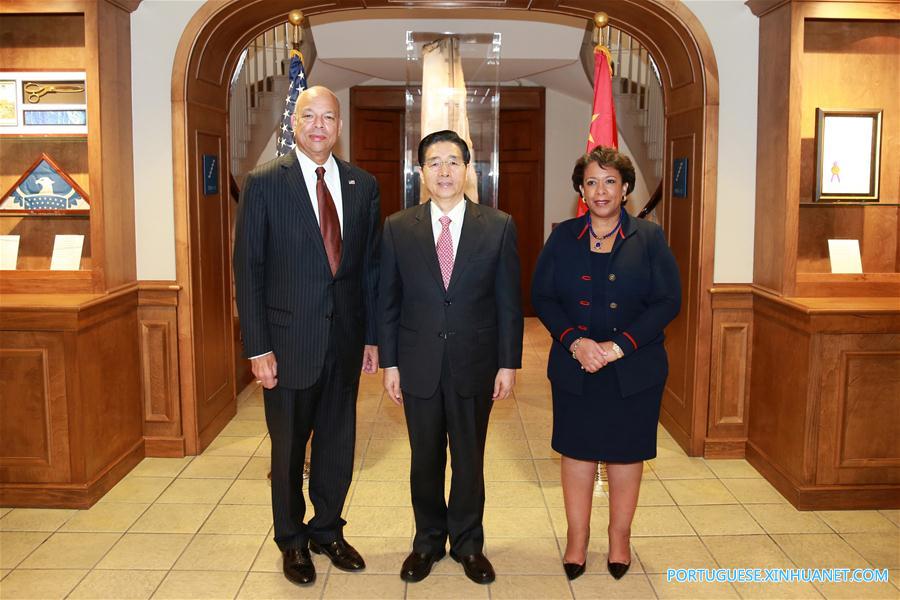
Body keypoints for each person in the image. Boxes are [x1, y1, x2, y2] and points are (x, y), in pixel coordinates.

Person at [233, 86, 380, 587]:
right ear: (293, 123)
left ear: (339, 127)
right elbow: (248, 269)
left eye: (329, 117)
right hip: (286, 342)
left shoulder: (363, 186)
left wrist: (373, 337)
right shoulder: (264, 183)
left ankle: (328, 530)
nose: (319, 125)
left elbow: (370, 270)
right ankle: (292, 541)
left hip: (344, 341)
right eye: (309, 116)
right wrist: (257, 347)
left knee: (339, 445)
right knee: (288, 450)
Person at [378, 130, 523, 585]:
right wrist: (390, 363)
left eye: (453, 161)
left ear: (468, 169)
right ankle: (427, 543)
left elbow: (508, 302)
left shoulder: (497, 225)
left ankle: (467, 544)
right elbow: (388, 300)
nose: (444, 171)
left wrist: (507, 363)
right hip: (417, 363)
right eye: (434, 162)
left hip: (474, 363)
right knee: (424, 460)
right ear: (421, 172)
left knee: (468, 458)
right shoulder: (398, 227)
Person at [531, 146, 681, 581]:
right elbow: (543, 297)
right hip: (574, 367)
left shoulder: (649, 238)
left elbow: (668, 300)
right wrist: (576, 343)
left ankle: (620, 538)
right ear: (580, 189)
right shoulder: (563, 237)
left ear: (626, 189)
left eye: (610, 181)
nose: (601, 190)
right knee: (576, 451)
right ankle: (576, 539)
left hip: (634, 369)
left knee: (625, 452)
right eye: (592, 181)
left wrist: (619, 347)